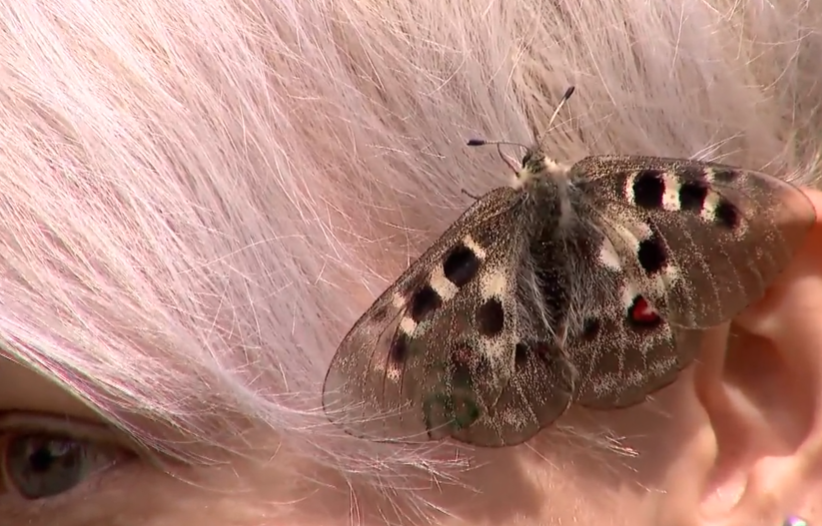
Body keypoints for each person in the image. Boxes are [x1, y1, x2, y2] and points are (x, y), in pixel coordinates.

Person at [0, 0, 820, 524]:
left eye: (48, 460)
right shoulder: (603, 204)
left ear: (754, 382)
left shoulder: (485, 236)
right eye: (39, 467)